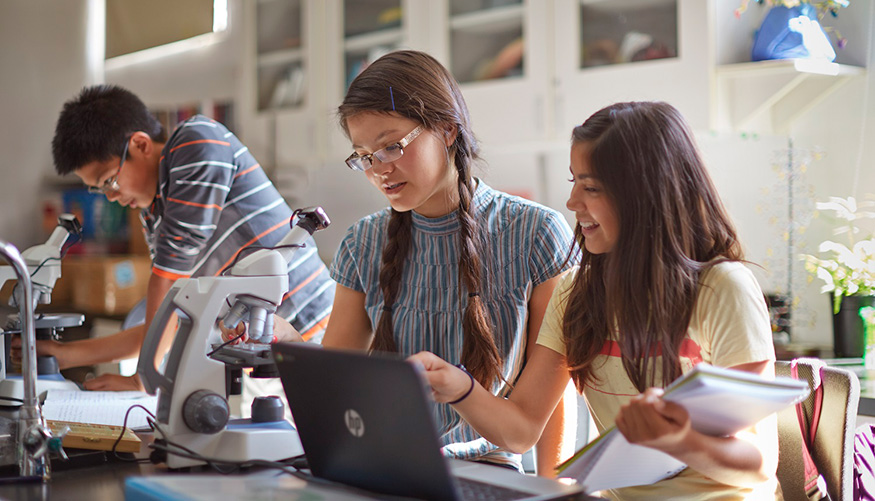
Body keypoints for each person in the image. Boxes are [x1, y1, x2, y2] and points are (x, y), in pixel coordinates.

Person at [223, 50, 576, 475]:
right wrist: (287, 342)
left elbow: (549, 402)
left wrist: (555, 486)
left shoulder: (536, 234)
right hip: (379, 466)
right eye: (364, 156)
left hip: (486, 472)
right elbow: (337, 386)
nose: (379, 171)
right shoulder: (364, 242)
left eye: (392, 146)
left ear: (447, 129)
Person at [411, 101, 781, 499]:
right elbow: (519, 430)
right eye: (574, 182)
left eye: (591, 187)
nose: (572, 202)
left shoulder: (723, 289)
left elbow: (758, 464)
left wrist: (679, 439)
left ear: (645, 195)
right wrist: (458, 387)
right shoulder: (575, 294)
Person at [24, 84, 335, 391]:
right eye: (100, 189)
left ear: (140, 145)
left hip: (319, 332)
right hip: (264, 357)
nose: (111, 197)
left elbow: (168, 283)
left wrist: (143, 379)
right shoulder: (155, 213)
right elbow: (170, 319)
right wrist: (63, 356)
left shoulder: (195, 142)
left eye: (109, 181)